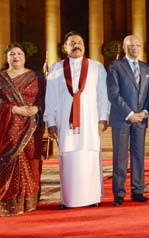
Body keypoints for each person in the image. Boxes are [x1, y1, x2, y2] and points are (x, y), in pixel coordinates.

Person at [44, 31, 110, 208]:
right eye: (72, 43)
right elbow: (49, 97)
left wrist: (103, 118)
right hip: (65, 122)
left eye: (79, 42)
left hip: (90, 121)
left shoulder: (97, 67)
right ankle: (69, 199)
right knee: (69, 156)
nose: (76, 45)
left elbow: (103, 95)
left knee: (89, 154)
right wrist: (50, 122)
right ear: (65, 47)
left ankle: (92, 197)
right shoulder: (56, 69)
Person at [0, 42, 45, 216]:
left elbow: (43, 97)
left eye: (19, 53)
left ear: (25, 57)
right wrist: (15, 109)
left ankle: (29, 201)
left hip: (32, 126)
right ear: (7, 57)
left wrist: (36, 108)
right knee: (11, 159)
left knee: (31, 161)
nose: (16, 57)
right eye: (12, 54)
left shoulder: (36, 77)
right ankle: (8, 199)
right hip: (8, 125)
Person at [107, 35, 149, 206]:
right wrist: (129, 114)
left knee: (138, 155)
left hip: (141, 119)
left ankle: (138, 190)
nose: (134, 48)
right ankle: (118, 193)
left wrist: (145, 112)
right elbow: (113, 94)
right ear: (124, 47)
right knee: (120, 156)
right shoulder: (115, 66)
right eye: (131, 45)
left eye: (137, 45)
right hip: (122, 118)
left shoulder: (147, 68)